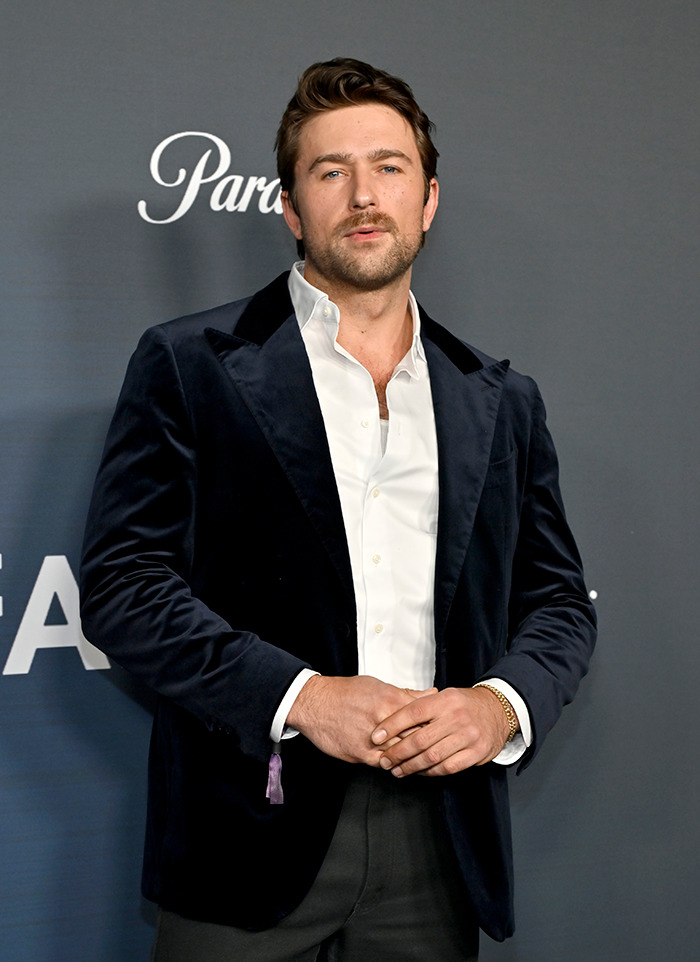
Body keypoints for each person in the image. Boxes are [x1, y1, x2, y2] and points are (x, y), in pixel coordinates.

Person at [80, 58, 596, 961]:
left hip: (440, 846)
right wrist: (305, 698)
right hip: (246, 833)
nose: (364, 195)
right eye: (331, 171)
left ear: (428, 200)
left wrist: (498, 706)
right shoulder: (190, 364)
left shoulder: (501, 399)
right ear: (289, 207)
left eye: (389, 168)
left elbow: (558, 602)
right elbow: (124, 587)